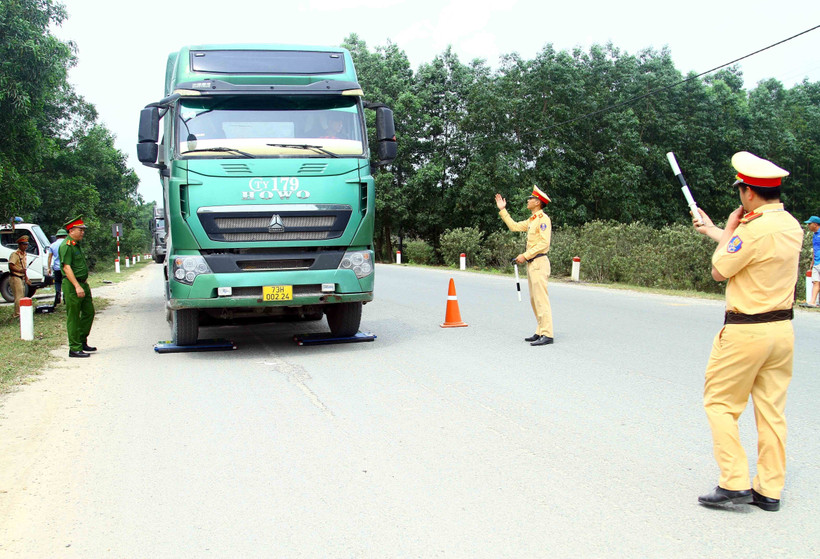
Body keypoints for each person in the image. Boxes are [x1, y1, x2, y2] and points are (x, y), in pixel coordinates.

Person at [692, 151, 802, 512]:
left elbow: (720, 269)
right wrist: (718, 231)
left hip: (746, 332)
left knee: (720, 404)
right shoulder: (790, 225)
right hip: (781, 331)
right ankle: (769, 489)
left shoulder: (751, 229)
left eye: (741, 190)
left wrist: (731, 228)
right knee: (771, 412)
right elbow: (751, 254)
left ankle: (733, 481)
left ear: (748, 193)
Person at [495, 185, 554, 346]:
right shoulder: (532, 220)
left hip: (539, 262)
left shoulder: (543, 219)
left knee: (541, 300)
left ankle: (547, 334)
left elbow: (543, 243)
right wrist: (503, 210)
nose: (528, 200)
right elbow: (514, 226)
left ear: (538, 202)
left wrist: (525, 255)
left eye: (531, 198)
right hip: (532, 264)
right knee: (534, 300)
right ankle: (540, 330)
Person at [59, 217, 96, 358]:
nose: (82, 232)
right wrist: (76, 286)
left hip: (82, 283)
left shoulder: (76, 244)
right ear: (71, 230)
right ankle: (74, 348)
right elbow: (66, 267)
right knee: (73, 316)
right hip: (73, 285)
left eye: (83, 230)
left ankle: (81, 341)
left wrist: (83, 285)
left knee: (89, 312)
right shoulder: (66, 245)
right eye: (80, 230)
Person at [7, 235, 32, 318]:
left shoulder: (24, 254)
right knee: (18, 297)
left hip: (21, 277)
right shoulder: (15, 254)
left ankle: (21, 312)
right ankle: (17, 314)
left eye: (27, 244)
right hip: (15, 277)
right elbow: (11, 266)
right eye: (24, 244)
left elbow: (23, 268)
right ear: (20, 245)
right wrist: (19, 271)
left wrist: (26, 277)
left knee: (22, 295)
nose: (26, 246)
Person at [47, 228, 68, 306]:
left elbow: (49, 257)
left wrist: (48, 267)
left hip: (56, 267)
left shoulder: (52, 245)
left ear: (57, 237)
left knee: (57, 282)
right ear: (65, 236)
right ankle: (65, 297)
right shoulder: (67, 244)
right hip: (66, 267)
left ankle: (58, 293)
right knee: (66, 282)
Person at [805, 216, 820, 306]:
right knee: (815, 281)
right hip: (817, 262)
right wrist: (812, 262)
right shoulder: (814, 235)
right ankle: (812, 302)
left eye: (809, 224)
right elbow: (815, 249)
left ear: (815, 224)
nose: (808, 226)